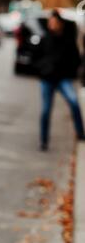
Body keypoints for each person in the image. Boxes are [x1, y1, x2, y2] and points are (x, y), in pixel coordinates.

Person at [36, 9, 85, 151]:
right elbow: (37, 57)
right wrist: (43, 69)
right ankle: (44, 141)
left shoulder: (68, 40)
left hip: (63, 78)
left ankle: (80, 133)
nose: (52, 24)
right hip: (47, 79)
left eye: (54, 22)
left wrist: (69, 71)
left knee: (74, 102)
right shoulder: (45, 39)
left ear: (60, 24)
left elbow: (76, 59)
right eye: (50, 22)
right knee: (45, 111)